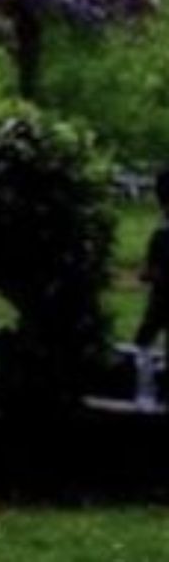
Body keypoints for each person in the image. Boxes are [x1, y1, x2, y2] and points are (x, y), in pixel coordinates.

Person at [133, 169, 169, 409]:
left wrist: (147, 274)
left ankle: (146, 394)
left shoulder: (161, 234)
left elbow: (150, 273)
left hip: (162, 299)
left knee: (143, 343)